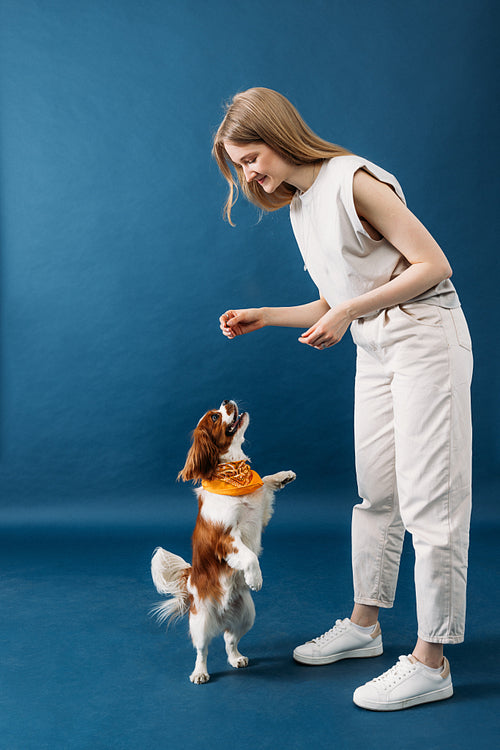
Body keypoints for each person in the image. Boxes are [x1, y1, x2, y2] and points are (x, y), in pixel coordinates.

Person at [212, 87, 473, 711]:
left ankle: (432, 660)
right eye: (239, 165)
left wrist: (350, 311)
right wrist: (266, 315)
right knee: (377, 494)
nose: (249, 173)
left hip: (425, 337)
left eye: (251, 157)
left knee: (430, 502)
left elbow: (433, 264)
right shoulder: (301, 204)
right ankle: (364, 627)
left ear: (279, 136)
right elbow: (338, 295)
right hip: (378, 346)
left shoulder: (353, 180)